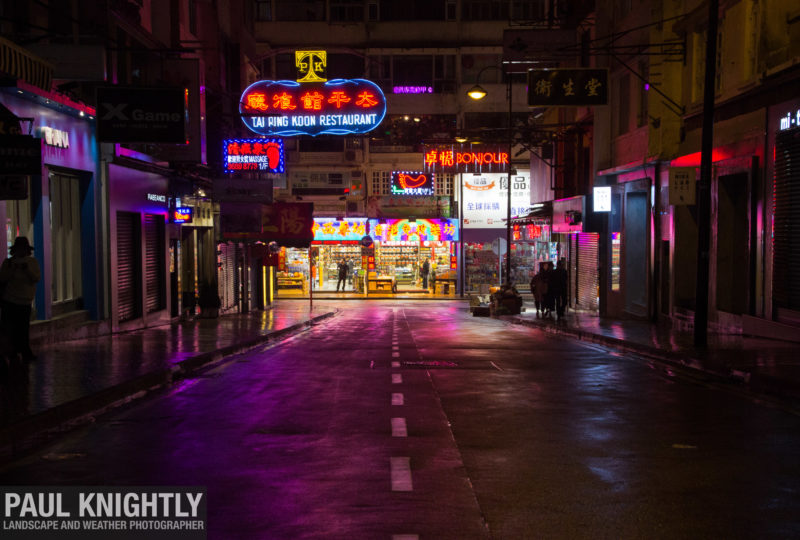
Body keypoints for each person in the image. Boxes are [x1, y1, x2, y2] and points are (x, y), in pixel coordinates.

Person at [0, 237, 41, 361]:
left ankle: (24, 351)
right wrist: (13, 268)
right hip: (10, 301)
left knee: (23, 329)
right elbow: (2, 278)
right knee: (10, 329)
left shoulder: (32, 262)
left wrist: (26, 269)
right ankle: (11, 352)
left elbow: (36, 278)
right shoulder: (8, 263)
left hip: (25, 301)